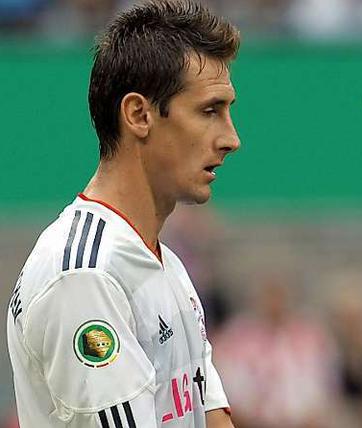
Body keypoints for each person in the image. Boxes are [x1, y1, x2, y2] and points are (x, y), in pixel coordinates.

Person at [5, 1, 241, 426]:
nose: (231, 138)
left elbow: (213, 416)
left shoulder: (164, 262)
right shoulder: (84, 276)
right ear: (138, 115)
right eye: (210, 111)